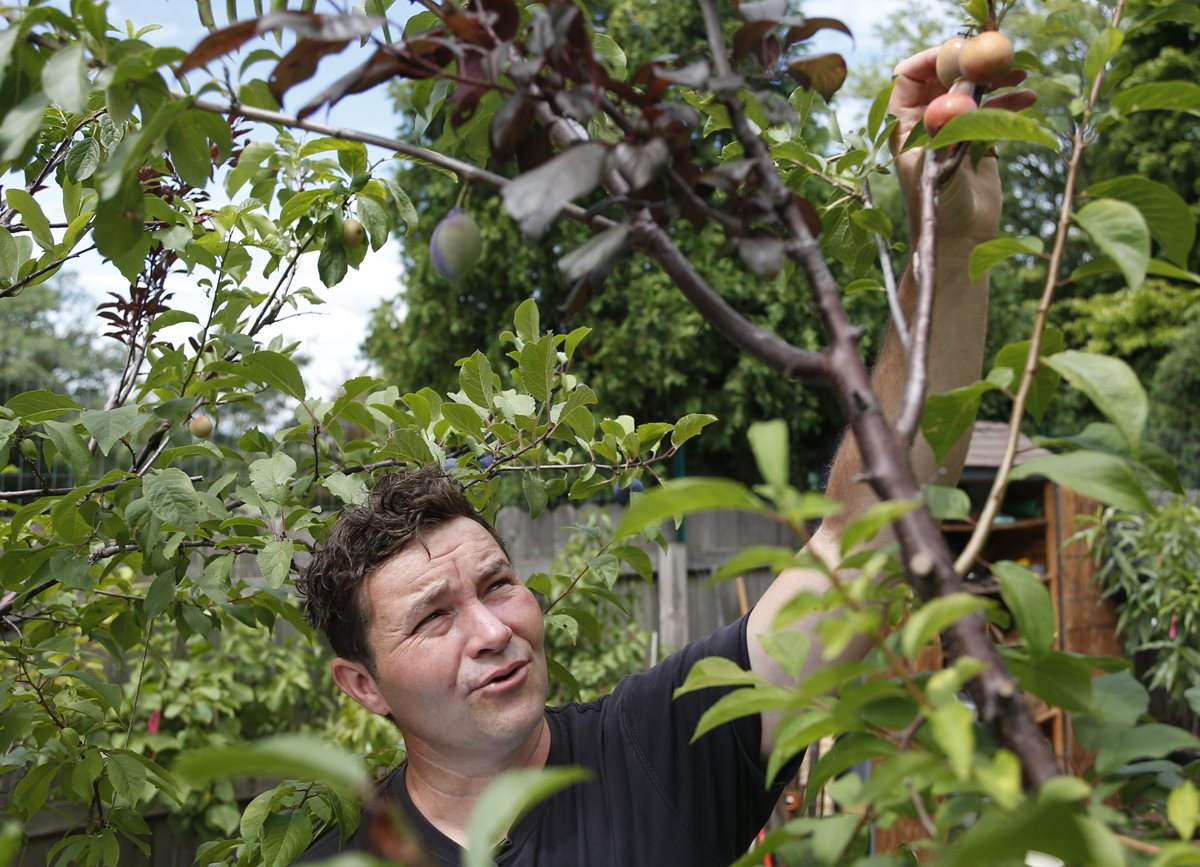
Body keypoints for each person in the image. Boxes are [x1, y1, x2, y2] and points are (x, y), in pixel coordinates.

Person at [297, 47, 1036, 866]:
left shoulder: (662, 747)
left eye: (500, 583)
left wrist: (949, 244)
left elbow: (864, 541)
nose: (493, 629)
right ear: (362, 685)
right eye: (434, 615)